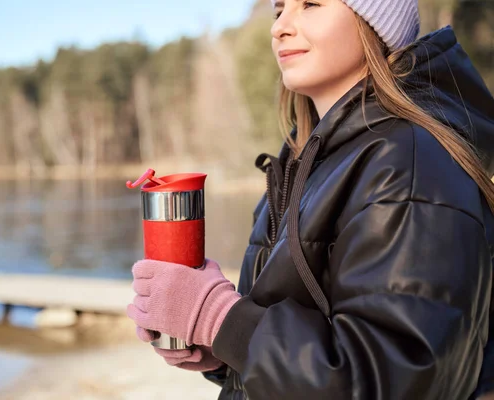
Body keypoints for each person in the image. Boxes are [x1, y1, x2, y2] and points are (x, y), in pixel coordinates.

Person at [126, 0, 494, 398]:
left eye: (311, 4)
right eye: (279, 8)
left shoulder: (410, 162)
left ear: (376, 23)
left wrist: (220, 317)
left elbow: (392, 379)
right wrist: (222, 349)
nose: (280, 27)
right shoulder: (302, 165)